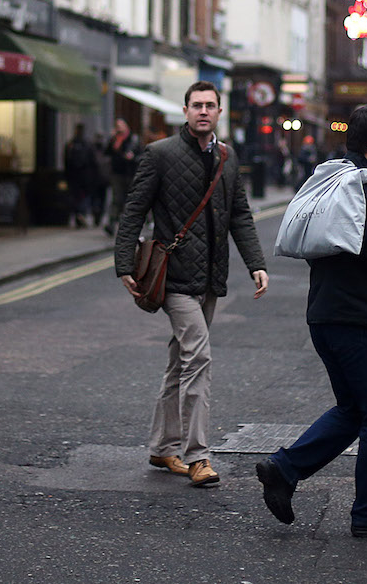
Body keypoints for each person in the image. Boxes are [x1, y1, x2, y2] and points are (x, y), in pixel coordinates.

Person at [254, 104, 367, 538]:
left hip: (326, 316)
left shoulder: (332, 182)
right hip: (360, 320)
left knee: (354, 410)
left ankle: (284, 469)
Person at [115, 81, 269, 488]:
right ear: (185, 111)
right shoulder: (160, 154)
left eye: (210, 105)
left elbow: (240, 215)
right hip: (174, 277)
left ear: (219, 111)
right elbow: (134, 210)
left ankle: (163, 446)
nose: (203, 111)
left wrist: (256, 263)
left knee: (179, 361)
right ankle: (197, 455)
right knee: (198, 357)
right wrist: (124, 263)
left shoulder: (227, 157)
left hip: (211, 278)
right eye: (196, 105)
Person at [104, 118, 142, 236]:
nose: (119, 129)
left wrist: (133, 157)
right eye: (117, 126)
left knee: (129, 200)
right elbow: (107, 152)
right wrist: (113, 140)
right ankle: (111, 223)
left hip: (130, 173)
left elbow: (142, 156)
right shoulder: (115, 139)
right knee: (117, 199)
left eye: (121, 126)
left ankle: (127, 225)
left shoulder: (134, 139)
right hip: (117, 173)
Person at [62, 124, 96, 228]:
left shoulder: (70, 144)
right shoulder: (87, 144)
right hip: (84, 176)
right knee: (84, 196)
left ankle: (78, 214)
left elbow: (66, 161)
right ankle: (81, 213)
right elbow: (93, 161)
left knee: (75, 196)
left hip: (74, 176)